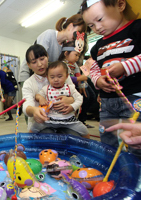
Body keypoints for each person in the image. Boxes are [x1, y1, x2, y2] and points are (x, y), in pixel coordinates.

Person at [81, 0, 141, 158]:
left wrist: (126, 67)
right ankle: (110, 167)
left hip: (135, 98)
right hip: (107, 102)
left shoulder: (136, 28)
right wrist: (97, 80)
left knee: (135, 140)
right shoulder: (97, 46)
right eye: (91, 26)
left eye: (99, 19)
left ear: (120, 5)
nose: (97, 28)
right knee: (107, 137)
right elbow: (92, 68)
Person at [22, 44, 79, 135]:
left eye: (42, 59)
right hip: (42, 124)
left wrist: (70, 100)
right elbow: (26, 105)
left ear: (47, 57)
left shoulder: (60, 72)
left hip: (65, 121)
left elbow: (75, 94)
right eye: (34, 62)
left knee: (75, 137)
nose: (40, 64)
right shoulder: (29, 83)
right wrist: (34, 110)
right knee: (48, 138)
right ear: (28, 65)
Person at [18, 14, 87, 83]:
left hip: (43, 78)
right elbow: (39, 62)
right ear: (70, 26)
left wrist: (80, 79)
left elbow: (71, 63)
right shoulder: (49, 35)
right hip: (28, 76)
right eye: (78, 32)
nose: (78, 37)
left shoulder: (64, 46)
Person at [32, 61, 90, 139]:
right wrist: (40, 98)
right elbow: (37, 95)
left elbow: (80, 98)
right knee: (34, 127)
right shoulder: (46, 88)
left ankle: (87, 146)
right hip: (50, 119)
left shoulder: (70, 88)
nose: (56, 80)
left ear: (66, 76)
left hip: (68, 120)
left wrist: (72, 107)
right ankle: (27, 143)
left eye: (59, 76)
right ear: (47, 77)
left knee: (84, 130)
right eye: (52, 77)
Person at [58, 41, 96, 128]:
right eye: (76, 55)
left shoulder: (74, 64)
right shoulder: (62, 64)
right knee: (83, 99)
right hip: (69, 87)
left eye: (79, 55)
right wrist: (80, 79)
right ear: (66, 53)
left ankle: (82, 120)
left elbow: (78, 74)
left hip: (77, 85)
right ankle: (78, 120)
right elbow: (66, 78)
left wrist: (82, 84)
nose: (78, 58)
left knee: (91, 96)